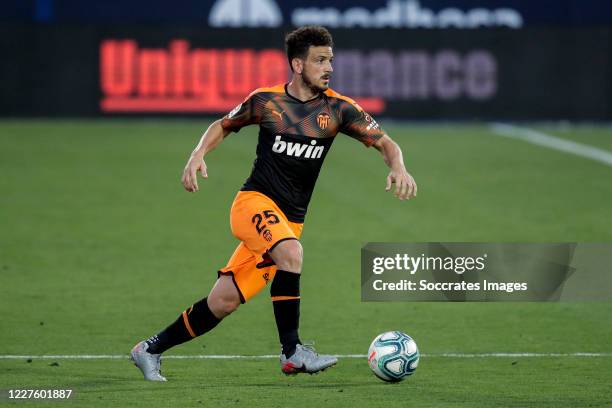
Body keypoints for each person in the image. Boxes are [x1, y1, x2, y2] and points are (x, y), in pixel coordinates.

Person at [131, 25, 417, 381]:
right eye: (320, 60)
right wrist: (197, 154)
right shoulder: (267, 102)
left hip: (287, 223)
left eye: (331, 60)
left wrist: (399, 166)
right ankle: (292, 351)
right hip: (252, 205)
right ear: (298, 65)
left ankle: (149, 349)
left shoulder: (340, 109)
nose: (329, 67)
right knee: (292, 254)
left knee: (222, 302)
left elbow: (386, 143)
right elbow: (223, 124)